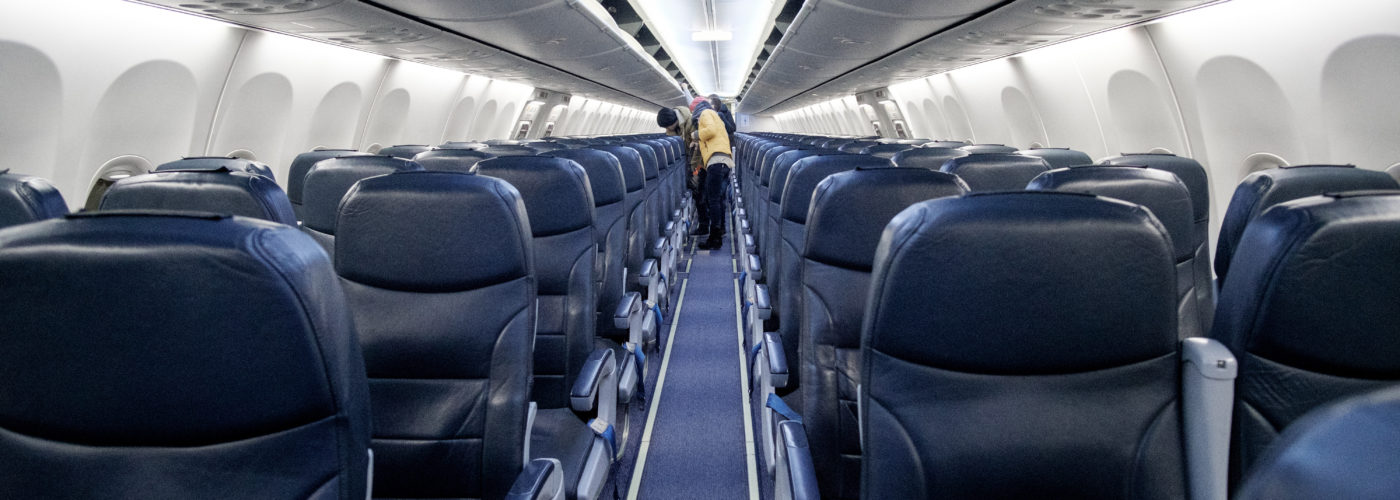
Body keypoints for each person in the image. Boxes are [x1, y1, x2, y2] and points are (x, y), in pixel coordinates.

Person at [687, 96, 733, 250]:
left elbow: (710, 131)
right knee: (716, 199)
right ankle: (718, 234)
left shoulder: (706, 113)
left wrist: (695, 135)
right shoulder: (715, 116)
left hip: (716, 160)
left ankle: (715, 239)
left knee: (712, 200)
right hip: (722, 160)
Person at [657, 105, 706, 236]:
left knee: (701, 194)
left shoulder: (691, 123)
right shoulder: (672, 130)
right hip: (687, 163)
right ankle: (704, 224)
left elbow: (698, 149)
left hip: (699, 162)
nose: (666, 130)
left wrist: (695, 169)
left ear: (672, 122)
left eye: (667, 127)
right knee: (697, 194)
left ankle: (705, 226)